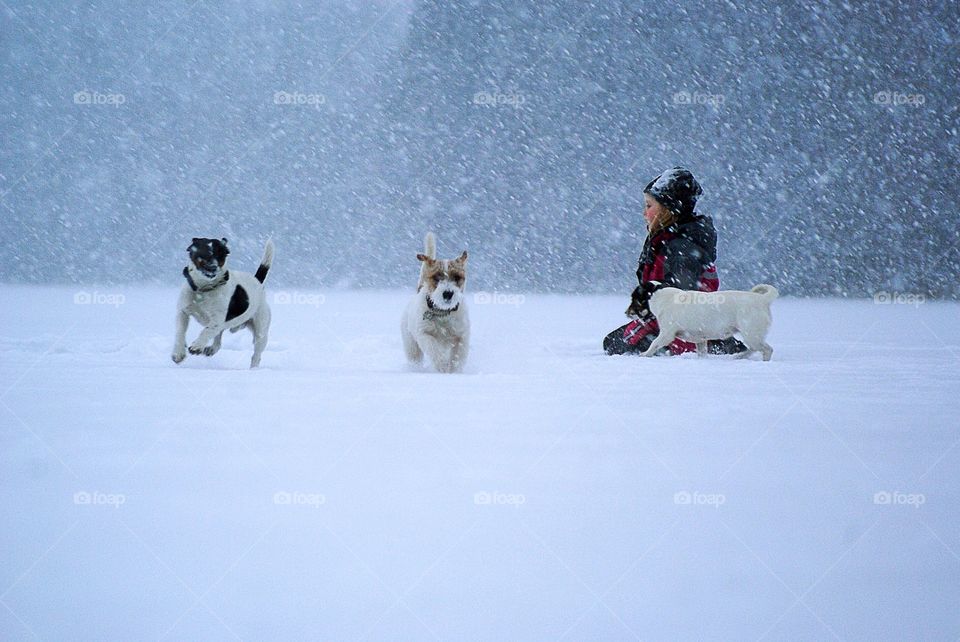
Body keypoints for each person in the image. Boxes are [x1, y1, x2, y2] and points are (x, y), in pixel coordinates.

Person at [603, 166, 746, 356]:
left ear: (669, 210)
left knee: (618, 345)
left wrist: (646, 333)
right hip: (679, 321)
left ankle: (714, 345)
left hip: (690, 328)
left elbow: (682, 302)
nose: (644, 213)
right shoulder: (667, 240)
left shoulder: (681, 248)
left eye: (649, 206)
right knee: (615, 341)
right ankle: (717, 342)